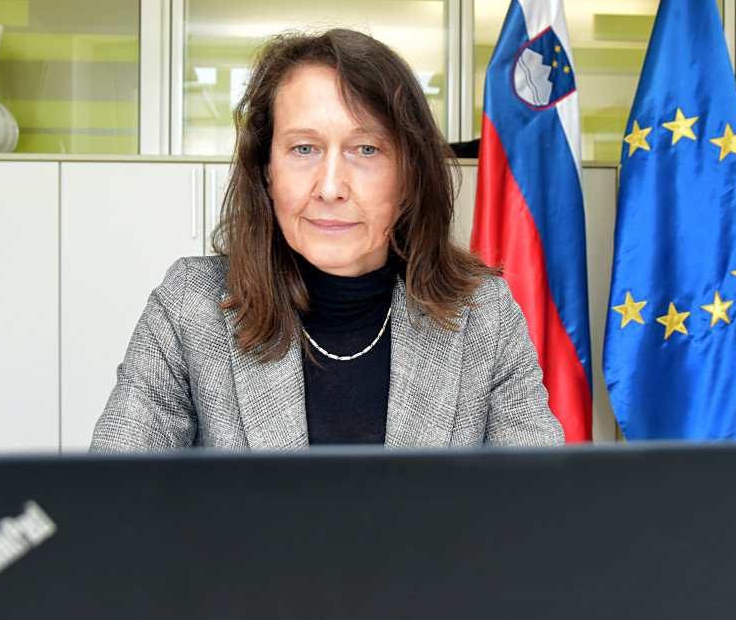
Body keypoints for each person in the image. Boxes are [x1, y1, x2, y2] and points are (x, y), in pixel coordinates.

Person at [91, 28, 563, 452]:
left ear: (409, 176)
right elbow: (109, 500)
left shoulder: (484, 315)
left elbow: (539, 511)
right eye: (303, 148)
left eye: (366, 149)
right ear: (266, 170)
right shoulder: (190, 308)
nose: (331, 186)